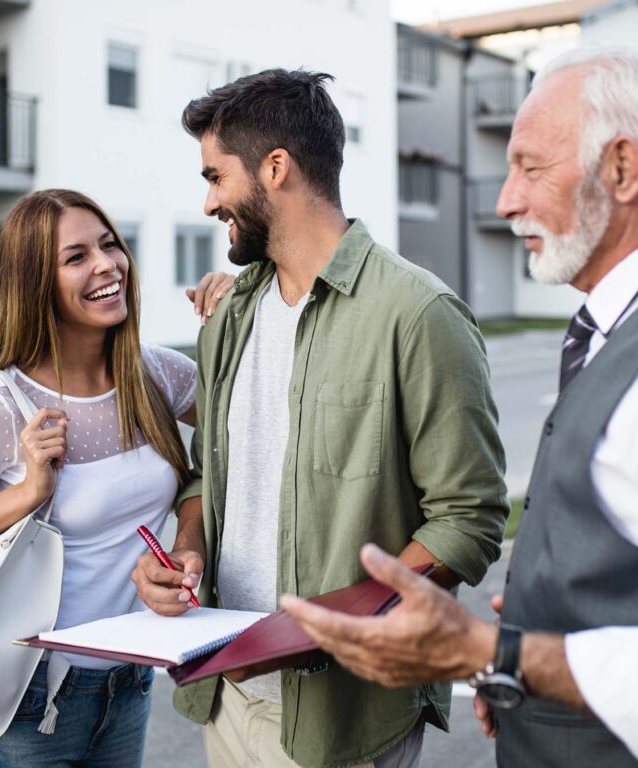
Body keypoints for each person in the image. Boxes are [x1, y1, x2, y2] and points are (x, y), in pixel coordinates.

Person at [131, 69, 509, 768]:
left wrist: (326, 630)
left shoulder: (418, 314)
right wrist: (187, 549)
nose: (209, 201)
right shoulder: (228, 319)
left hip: (348, 718)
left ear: (276, 168)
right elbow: (205, 476)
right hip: (227, 697)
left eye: (217, 176)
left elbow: (468, 516)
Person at [280, 47, 638, 767]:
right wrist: (526, 654)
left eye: (531, 168)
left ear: (623, 169)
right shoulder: (604, 334)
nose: (506, 200)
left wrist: (486, 649)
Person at [0, 188, 234, 768]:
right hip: (26, 700)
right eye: (76, 257)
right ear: (35, 285)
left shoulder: (156, 374)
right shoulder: (1, 402)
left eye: (109, 245)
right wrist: (27, 493)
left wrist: (239, 306)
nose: (106, 265)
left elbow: (245, 432)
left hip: (128, 683)